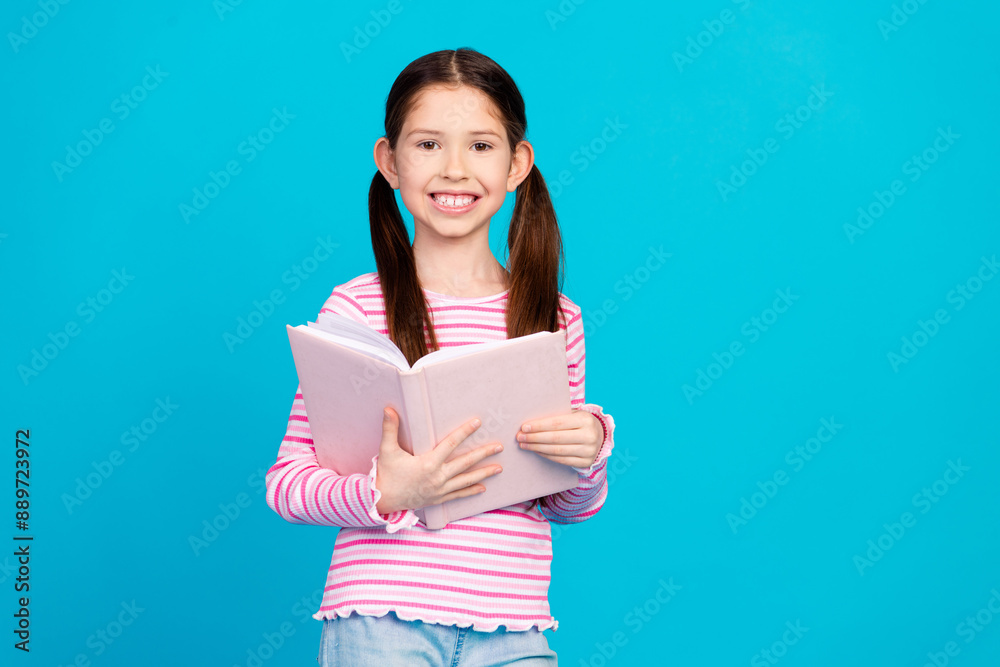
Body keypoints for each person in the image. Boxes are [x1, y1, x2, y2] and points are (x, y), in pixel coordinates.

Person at [265, 47, 617, 666]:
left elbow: (568, 505)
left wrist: (588, 453)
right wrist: (386, 491)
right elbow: (288, 484)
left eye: (481, 146)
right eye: (428, 144)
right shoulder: (353, 308)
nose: (455, 169)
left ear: (517, 164)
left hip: (515, 628)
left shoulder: (557, 317)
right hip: (380, 620)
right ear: (389, 161)